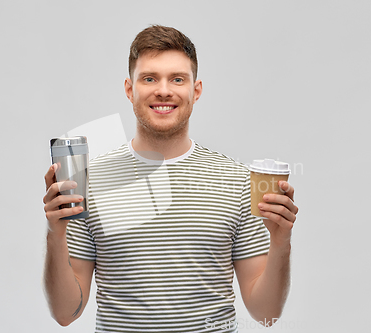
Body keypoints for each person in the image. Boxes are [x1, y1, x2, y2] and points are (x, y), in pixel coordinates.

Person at [43, 25, 298, 332]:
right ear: (129, 89)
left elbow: (265, 312)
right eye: (149, 78)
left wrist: (281, 241)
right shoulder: (90, 181)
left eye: (177, 79)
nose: (163, 90)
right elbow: (65, 314)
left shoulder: (237, 181)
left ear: (196, 89)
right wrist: (55, 234)